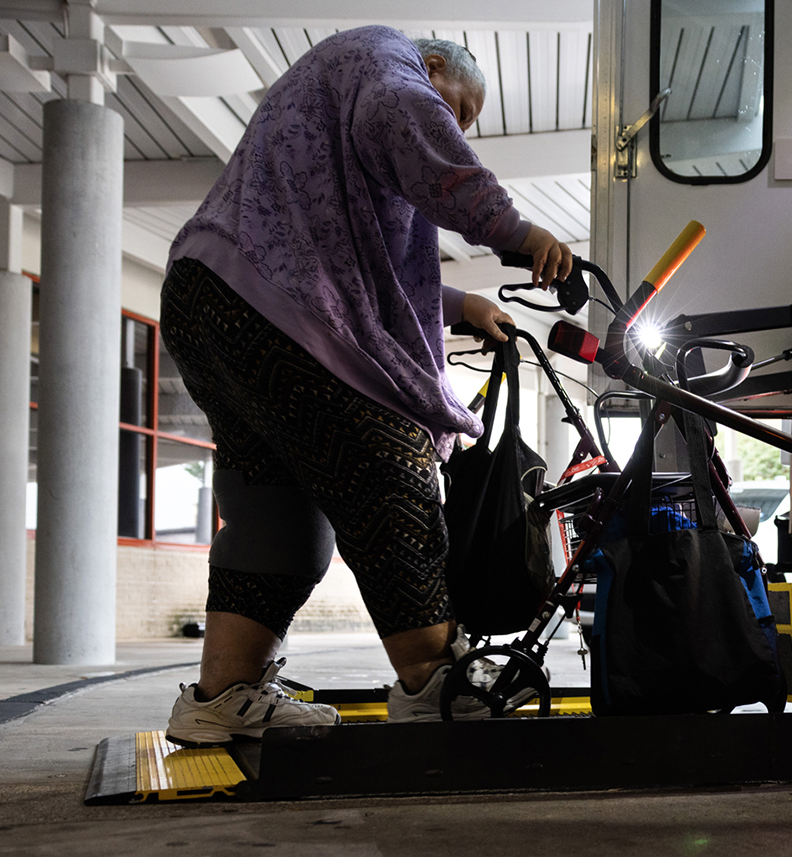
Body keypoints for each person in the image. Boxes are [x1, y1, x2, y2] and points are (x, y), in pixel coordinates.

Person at [160, 29, 573, 745]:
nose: (456, 130)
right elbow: (405, 116)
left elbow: (354, 263)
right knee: (389, 466)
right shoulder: (383, 59)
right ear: (434, 66)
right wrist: (517, 231)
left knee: (275, 509)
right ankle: (434, 684)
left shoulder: (330, 95)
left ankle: (220, 697)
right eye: (460, 113)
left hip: (212, 298)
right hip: (273, 308)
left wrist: (458, 306)